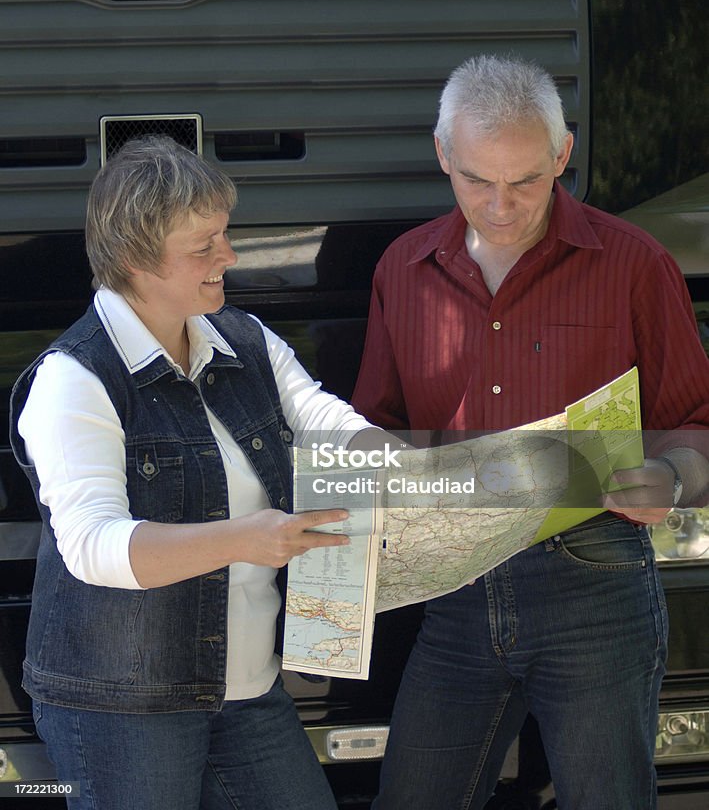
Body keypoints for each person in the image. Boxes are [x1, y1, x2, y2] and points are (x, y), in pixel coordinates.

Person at [352, 54, 709, 810]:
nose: (501, 204)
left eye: (524, 180)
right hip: (452, 590)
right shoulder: (402, 269)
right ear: (444, 154)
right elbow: (373, 431)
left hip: (594, 583)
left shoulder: (634, 263)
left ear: (561, 155)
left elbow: (696, 421)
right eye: (477, 179)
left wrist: (672, 477)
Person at [9, 135, 383, 810]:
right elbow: (95, 547)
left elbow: (320, 418)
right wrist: (244, 538)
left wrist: (407, 461)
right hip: (123, 709)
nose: (230, 257)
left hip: (246, 691)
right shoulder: (73, 379)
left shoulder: (242, 337)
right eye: (203, 246)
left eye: (225, 234)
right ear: (134, 259)